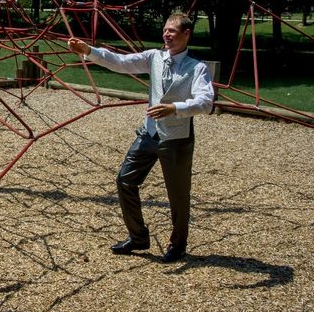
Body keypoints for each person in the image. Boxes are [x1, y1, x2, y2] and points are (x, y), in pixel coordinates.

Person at [68, 14, 214, 263]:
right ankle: (138, 237)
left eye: (173, 31)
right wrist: (89, 50)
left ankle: (178, 245)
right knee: (125, 180)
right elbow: (122, 62)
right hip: (150, 133)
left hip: (176, 138)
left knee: (178, 196)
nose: (167, 35)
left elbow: (206, 102)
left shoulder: (196, 67)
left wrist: (175, 108)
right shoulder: (154, 57)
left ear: (186, 33)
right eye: (165, 30)